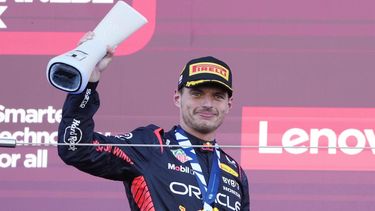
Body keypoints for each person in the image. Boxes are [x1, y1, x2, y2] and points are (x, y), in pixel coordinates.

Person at [58, 32, 250, 211]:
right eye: (197, 94)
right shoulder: (151, 146)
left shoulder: (235, 172)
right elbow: (76, 149)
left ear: (229, 104)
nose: (208, 104)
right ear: (177, 98)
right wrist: (87, 84)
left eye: (217, 96)